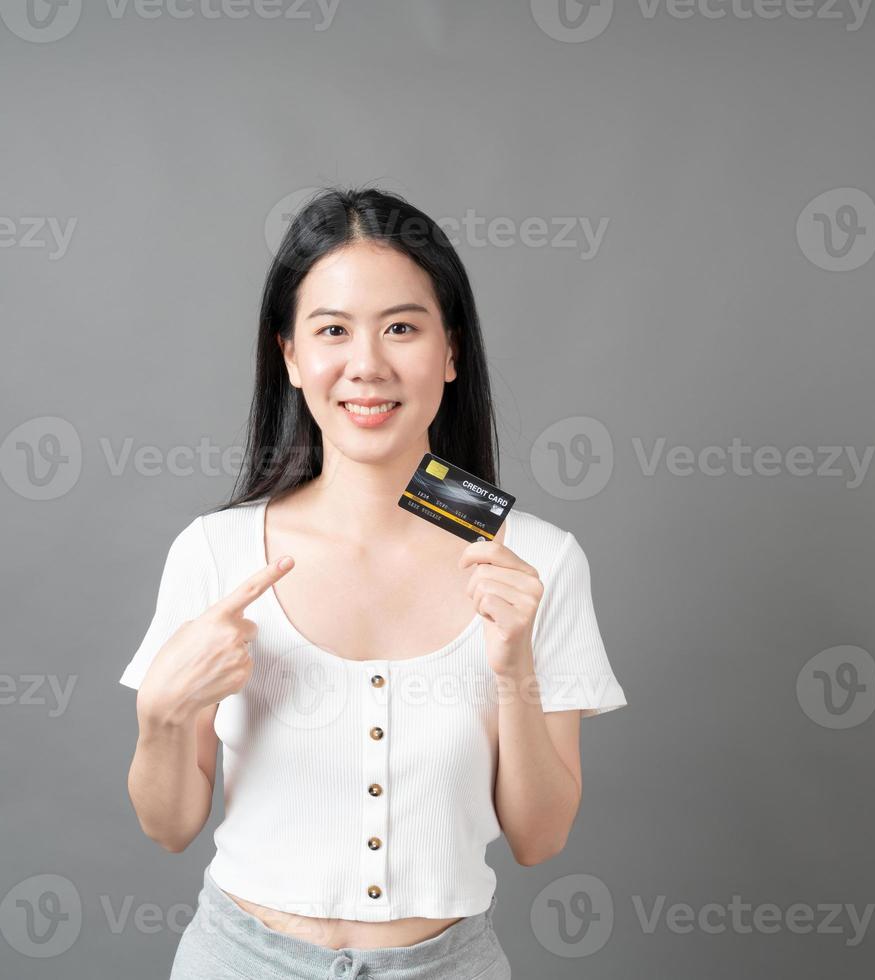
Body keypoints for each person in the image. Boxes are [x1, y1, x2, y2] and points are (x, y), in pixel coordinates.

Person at [120, 185, 627, 979]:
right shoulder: (217, 553)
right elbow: (169, 825)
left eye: (401, 328)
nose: (368, 365)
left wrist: (515, 668)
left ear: (451, 350)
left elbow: (540, 838)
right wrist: (160, 716)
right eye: (331, 330)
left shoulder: (535, 561)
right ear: (289, 355)